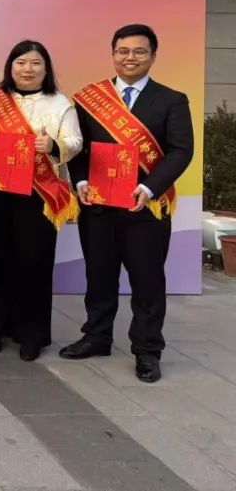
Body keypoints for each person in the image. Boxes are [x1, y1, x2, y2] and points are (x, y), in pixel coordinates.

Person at [60, 24, 193, 383]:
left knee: (147, 281)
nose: (130, 58)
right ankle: (97, 336)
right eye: (123, 51)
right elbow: (76, 149)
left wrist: (149, 188)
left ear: (153, 55)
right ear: (113, 54)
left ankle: (147, 350)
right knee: (98, 275)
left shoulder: (171, 100)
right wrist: (81, 182)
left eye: (138, 51)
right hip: (98, 207)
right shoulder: (90, 99)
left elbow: (181, 151)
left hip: (145, 208)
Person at [0, 40, 81, 361]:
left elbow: (75, 140)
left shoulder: (60, 103)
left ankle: (31, 334)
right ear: (10, 67)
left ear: (46, 69)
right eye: (20, 63)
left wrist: (53, 145)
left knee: (34, 262)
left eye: (35, 63)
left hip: (38, 195)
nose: (27, 69)